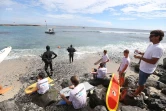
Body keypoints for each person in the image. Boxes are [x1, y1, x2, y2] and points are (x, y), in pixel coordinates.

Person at [131, 30, 164, 97]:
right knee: (141, 82)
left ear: (157, 37)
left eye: (151, 36)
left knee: (141, 83)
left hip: (146, 70)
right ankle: (138, 90)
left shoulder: (159, 48)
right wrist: (140, 53)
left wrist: (140, 58)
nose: (149, 37)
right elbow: (147, 54)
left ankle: (136, 94)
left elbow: (153, 61)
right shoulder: (151, 45)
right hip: (143, 67)